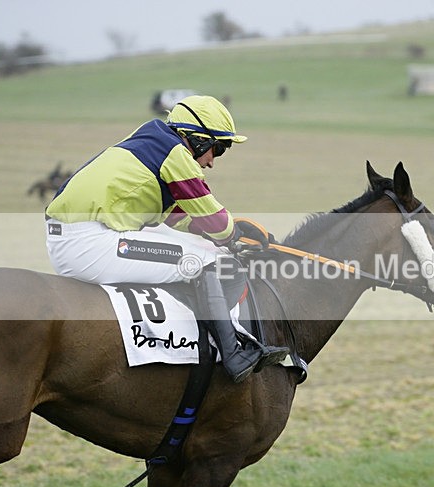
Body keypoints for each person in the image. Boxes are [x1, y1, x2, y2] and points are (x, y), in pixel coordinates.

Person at [45, 95, 289, 383]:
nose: (212, 161)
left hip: (80, 233)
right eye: (218, 149)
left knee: (206, 247)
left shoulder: (152, 137)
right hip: (88, 242)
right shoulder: (176, 154)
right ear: (197, 140)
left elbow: (175, 217)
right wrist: (235, 231)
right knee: (208, 260)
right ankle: (232, 354)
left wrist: (227, 232)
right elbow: (215, 222)